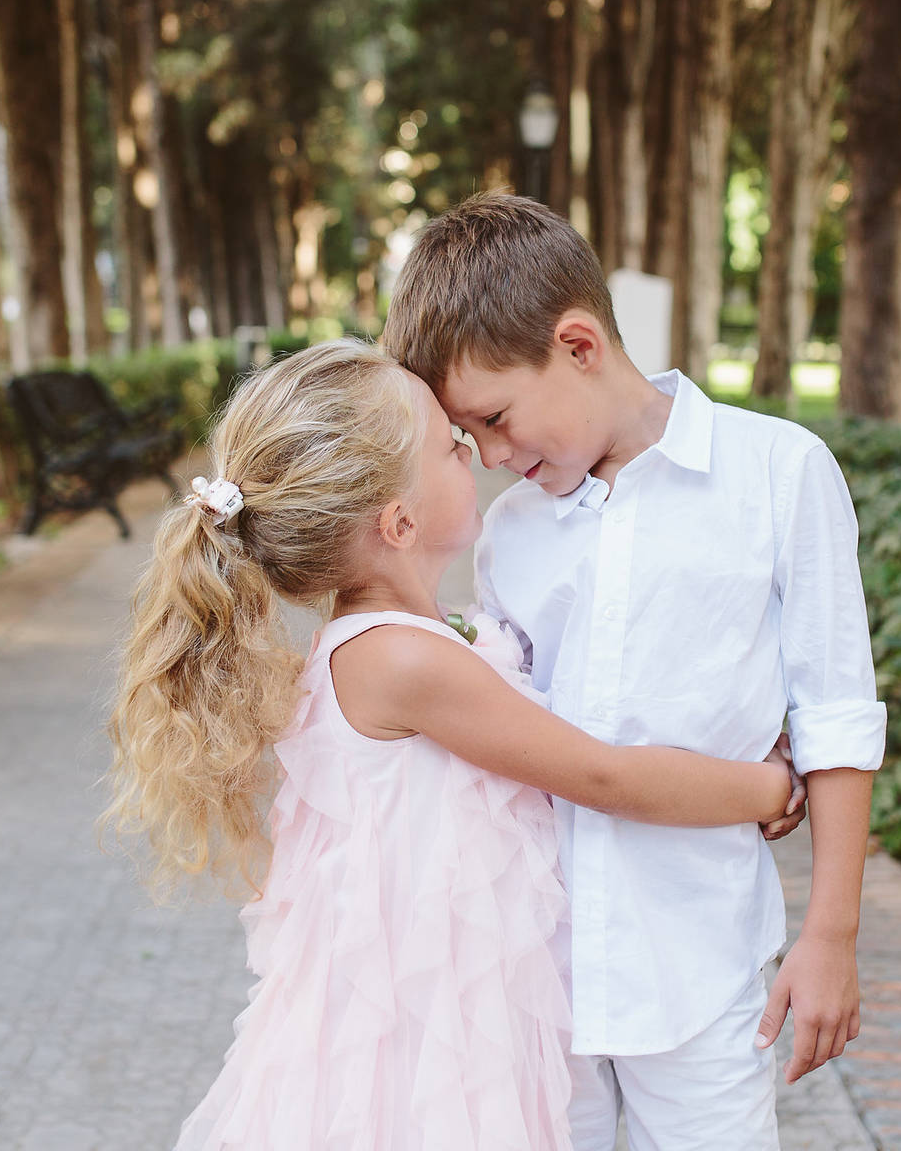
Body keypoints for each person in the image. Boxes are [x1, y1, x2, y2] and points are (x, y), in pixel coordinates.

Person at [101, 339, 802, 1151]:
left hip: (443, 1015)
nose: (474, 450)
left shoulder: (405, 644)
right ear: (399, 522)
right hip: (424, 1048)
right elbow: (599, 773)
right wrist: (772, 787)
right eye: (449, 445)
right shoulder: (401, 660)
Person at [383, 191, 887, 1151]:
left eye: (494, 418)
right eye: (467, 439)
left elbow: (837, 715)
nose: (490, 457)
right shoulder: (513, 534)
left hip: (700, 965)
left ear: (578, 346)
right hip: (534, 973)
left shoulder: (780, 473)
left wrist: (831, 935)